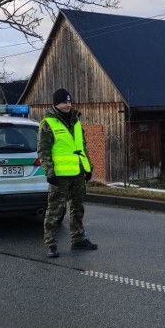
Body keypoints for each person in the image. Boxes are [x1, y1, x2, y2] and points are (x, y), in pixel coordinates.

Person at [38, 88, 96, 257]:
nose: (68, 105)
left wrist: (88, 168)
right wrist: (49, 172)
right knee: (55, 209)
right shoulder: (48, 123)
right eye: (64, 102)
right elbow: (43, 151)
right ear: (57, 104)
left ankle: (78, 239)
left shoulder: (76, 122)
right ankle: (51, 244)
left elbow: (82, 147)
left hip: (77, 173)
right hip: (60, 175)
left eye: (69, 102)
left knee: (78, 208)